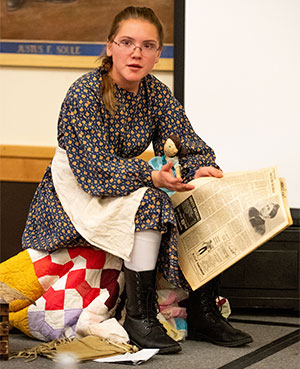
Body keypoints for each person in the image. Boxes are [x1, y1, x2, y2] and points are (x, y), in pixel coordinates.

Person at [19, 6, 253, 354]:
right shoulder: (84, 94)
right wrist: (152, 176)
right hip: (77, 194)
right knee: (152, 200)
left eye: (147, 45)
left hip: (122, 182)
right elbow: (96, 173)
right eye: (127, 42)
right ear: (110, 46)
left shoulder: (154, 93)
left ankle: (203, 310)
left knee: (206, 190)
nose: (136, 53)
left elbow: (188, 145)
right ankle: (140, 318)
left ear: (158, 54)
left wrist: (200, 169)